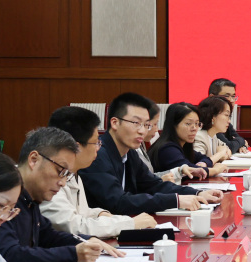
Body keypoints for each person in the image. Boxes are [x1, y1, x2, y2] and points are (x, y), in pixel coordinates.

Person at [0, 127, 124, 262]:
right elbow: (10, 255)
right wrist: (73, 254)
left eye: (67, 175)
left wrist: (86, 240)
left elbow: (48, 236)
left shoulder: (31, 197)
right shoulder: (0, 193)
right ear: (34, 160)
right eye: (60, 171)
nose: (63, 183)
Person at [79, 92, 222, 216]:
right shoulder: (97, 155)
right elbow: (118, 202)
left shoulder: (130, 153)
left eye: (147, 125)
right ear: (115, 123)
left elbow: (154, 185)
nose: (142, 131)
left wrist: (197, 193)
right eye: (136, 123)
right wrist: (175, 200)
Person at [42, 105, 160, 237]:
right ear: (76, 147)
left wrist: (99, 214)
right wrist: (130, 224)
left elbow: (82, 213)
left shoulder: (72, 173)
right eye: (95, 142)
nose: (99, 148)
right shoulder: (49, 178)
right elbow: (74, 226)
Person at [151, 102, 227, 178]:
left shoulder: (184, 145)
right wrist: (215, 170)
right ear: (173, 124)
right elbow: (190, 171)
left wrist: (203, 163)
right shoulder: (167, 149)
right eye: (188, 124)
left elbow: (203, 158)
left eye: (197, 124)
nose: (194, 128)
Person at [208, 77, 249, 153]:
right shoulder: (208, 118)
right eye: (226, 96)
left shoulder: (225, 119)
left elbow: (238, 138)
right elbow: (229, 146)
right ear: (212, 97)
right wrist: (241, 142)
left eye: (233, 96)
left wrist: (242, 146)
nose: (231, 100)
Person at [194, 95, 237, 164]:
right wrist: (220, 154)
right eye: (226, 115)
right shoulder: (199, 137)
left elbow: (228, 150)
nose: (229, 121)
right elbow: (200, 164)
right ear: (212, 117)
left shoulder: (213, 136)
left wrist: (223, 153)